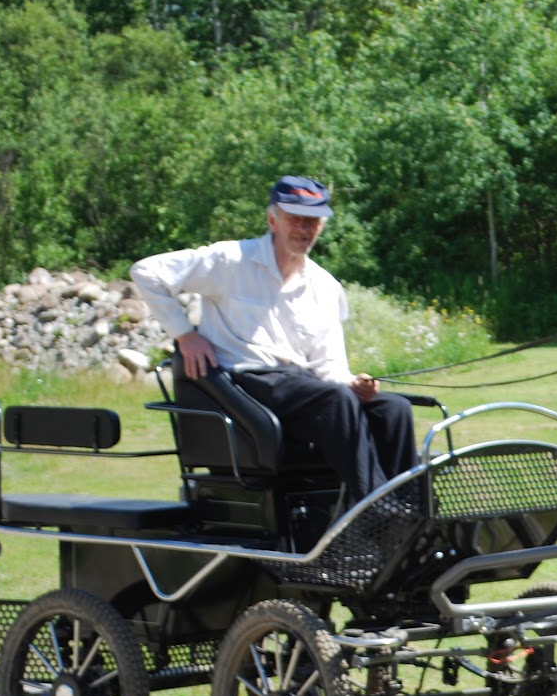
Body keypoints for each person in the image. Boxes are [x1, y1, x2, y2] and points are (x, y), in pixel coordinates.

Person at [131, 176, 415, 507]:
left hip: (300, 390)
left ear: (322, 226)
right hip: (243, 384)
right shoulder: (230, 260)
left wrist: (354, 384)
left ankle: (410, 509)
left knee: (393, 409)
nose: (304, 229)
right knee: (334, 400)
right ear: (272, 220)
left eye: (312, 221)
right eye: (295, 219)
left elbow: (329, 366)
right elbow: (146, 272)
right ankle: (378, 510)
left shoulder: (325, 287)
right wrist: (185, 334)